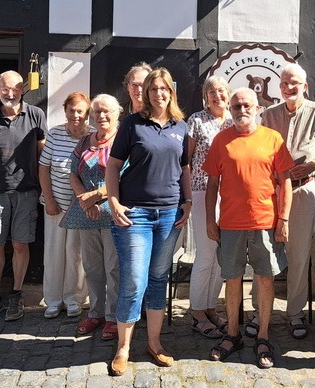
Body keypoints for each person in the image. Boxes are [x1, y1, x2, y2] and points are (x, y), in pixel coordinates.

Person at [106, 68, 192, 376]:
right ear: (146, 93)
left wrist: (188, 201)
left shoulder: (181, 127)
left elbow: (184, 169)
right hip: (135, 214)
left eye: (163, 89)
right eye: (152, 89)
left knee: (158, 279)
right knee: (133, 281)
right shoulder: (132, 124)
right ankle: (123, 347)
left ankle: (154, 343)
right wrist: (114, 202)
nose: (158, 93)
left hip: (169, 214)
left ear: (171, 92)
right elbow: (113, 166)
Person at [203, 87, 294, 369]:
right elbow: (212, 185)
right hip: (230, 223)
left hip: (266, 222)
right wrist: (210, 219)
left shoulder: (273, 139)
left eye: (246, 105)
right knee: (232, 279)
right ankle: (232, 334)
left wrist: (284, 220)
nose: (241, 110)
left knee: (265, 279)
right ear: (230, 110)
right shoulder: (221, 140)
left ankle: (263, 336)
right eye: (236, 106)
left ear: (257, 108)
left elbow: (285, 182)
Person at [246, 63, 315, 340]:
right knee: (264, 251)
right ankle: (261, 312)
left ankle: (294, 313)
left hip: (303, 190)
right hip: (270, 192)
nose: (288, 88)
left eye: (294, 83)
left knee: (298, 253)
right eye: (284, 83)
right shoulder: (268, 114)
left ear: (304, 85)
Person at [0, 70, 47, 323]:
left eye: (16, 88)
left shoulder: (36, 115)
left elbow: (43, 155)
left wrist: (44, 189)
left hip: (26, 191)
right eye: (6, 89)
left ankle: (16, 294)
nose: (11, 93)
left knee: (20, 243)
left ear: (23, 89)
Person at [68, 94, 122, 340]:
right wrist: (85, 199)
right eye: (97, 111)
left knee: (114, 267)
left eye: (106, 111)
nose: (101, 116)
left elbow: (127, 175)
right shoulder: (84, 142)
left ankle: (113, 317)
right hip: (87, 213)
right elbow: (72, 173)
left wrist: (97, 196)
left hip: (113, 211)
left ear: (117, 113)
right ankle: (96, 312)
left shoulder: (123, 140)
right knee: (91, 267)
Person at [187, 75, 233, 338]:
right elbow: (187, 159)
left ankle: (211, 307)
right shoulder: (196, 121)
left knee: (221, 256)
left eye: (221, 91)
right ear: (205, 96)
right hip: (203, 190)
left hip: (230, 195)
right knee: (206, 252)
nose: (217, 96)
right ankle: (197, 312)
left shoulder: (234, 120)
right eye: (211, 92)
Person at [39, 92, 91, 319]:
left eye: (80, 111)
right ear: (65, 110)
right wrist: (49, 199)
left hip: (81, 206)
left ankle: (74, 298)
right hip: (55, 204)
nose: (76, 115)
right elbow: (44, 167)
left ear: (87, 113)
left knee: (76, 253)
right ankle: (52, 300)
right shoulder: (55, 133)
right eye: (72, 110)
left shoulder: (92, 135)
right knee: (53, 251)